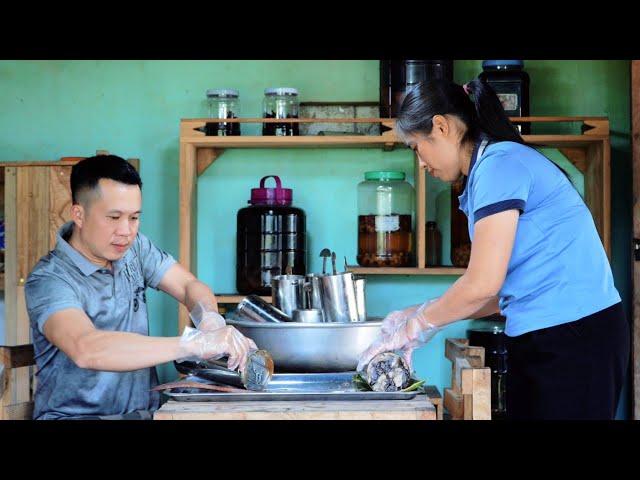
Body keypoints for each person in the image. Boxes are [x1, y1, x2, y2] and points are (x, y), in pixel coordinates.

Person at [357, 79, 630, 420]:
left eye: (416, 147)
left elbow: (483, 285)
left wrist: (419, 326)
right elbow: (497, 291)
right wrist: (415, 313)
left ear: (441, 126)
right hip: (545, 337)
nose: (422, 163)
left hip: (574, 337)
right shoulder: (487, 172)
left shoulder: (499, 166)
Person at [25, 155, 257, 420]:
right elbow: (85, 348)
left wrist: (210, 321)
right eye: (114, 217)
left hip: (143, 415)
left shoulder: (134, 250)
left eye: (134, 217)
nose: (126, 231)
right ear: (79, 214)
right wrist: (194, 343)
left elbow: (188, 285)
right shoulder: (49, 279)